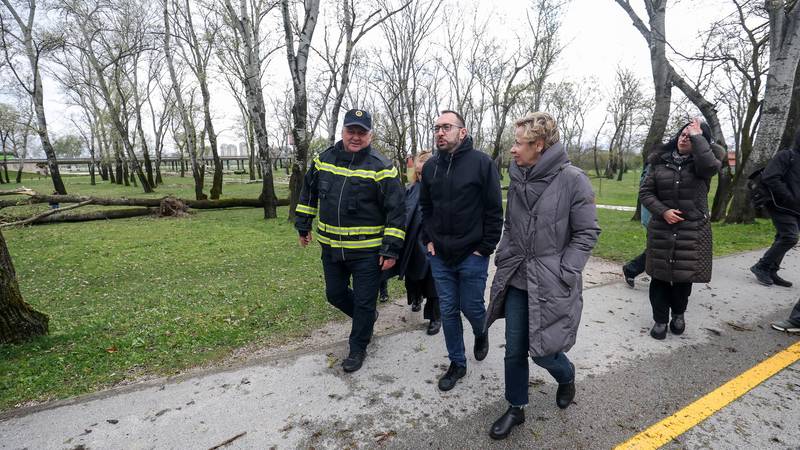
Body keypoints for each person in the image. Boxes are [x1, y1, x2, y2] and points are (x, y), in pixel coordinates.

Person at [484, 112, 600, 440]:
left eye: (518, 143)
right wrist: (505, 251)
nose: (512, 149)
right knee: (514, 350)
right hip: (519, 278)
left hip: (552, 281)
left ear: (538, 145)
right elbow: (511, 224)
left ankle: (566, 376)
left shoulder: (573, 179)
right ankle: (515, 407)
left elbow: (587, 232)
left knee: (545, 352)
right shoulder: (518, 176)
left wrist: (566, 270)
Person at [295, 108, 406, 373]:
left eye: (361, 132)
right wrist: (303, 225)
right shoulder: (324, 160)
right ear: (342, 131)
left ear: (370, 135)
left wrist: (390, 249)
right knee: (334, 294)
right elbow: (308, 193)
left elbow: (396, 212)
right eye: (351, 131)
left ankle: (357, 349)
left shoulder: (383, 167)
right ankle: (366, 319)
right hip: (331, 248)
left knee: (365, 301)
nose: (355, 137)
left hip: (367, 252)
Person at [419, 110, 503, 391]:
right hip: (440, 255)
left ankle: (481, 331)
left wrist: (485, 247)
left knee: (472, 306)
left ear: (462, 132)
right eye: (437, 128)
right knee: (449, 309)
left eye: (446, 127)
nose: (440, 132)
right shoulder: (430, 167)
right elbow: (425, 207)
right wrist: (427, 240)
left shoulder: (482, 164)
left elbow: (494, 211)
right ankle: (457, 363)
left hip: (472, 254)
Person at [639, 118, 721, 340]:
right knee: (660, 278)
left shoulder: (703, 165)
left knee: (683, 278)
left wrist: (698, 136)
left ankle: (678, 314)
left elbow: (712, 165)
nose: (685, 138)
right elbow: (645, 193)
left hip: (691, 230)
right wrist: (663, 211)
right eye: (683, 134)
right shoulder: (658, 162)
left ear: (701, 141)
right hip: (662, 228)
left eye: (691, 135)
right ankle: (659, 320)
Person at [389, 150, 441, 335]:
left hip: (433, 242)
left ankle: (435, 316)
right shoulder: (410, 189)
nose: (420, 176)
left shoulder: (440, 190)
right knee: (413, 275)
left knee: (432, 279)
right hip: (412, 241)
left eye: (423, 173)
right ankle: (416, 296)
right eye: (417, 173)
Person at [749, 130, 800, 287]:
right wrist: (788, 197)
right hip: (779, 204)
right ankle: (761, 266)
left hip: (795, 208)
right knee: (790, 237)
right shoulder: (786, 155)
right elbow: (770, 177)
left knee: (783, 237)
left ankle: (771, 270)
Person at [622, 164, 651, 287]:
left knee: (660, 249)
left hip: (659, 215)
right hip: (655, 216)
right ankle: (631, 269)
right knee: (657, 249)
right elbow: (647, 191)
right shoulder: (657, 165)